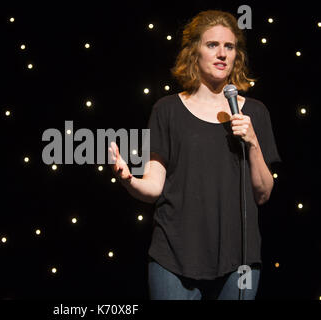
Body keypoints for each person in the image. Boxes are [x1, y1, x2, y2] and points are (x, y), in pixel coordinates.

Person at [108, 10, 281, 300]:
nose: (222, 53)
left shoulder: (255, 113)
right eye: (212, 45)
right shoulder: (167, 110)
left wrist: (252, 142)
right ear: (194, 52)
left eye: (230, 46)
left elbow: (263, 194)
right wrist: (129, 180)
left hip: (238, 261)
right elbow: (154, 185)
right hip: (175, 257)